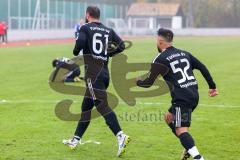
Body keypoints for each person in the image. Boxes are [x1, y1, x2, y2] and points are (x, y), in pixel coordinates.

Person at [136, 28, 218, 160]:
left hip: (181, 98)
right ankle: (187, 147)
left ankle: (197, 157)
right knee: (169, 117)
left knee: (181, 129)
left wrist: (138, 82)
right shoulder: (184, 53)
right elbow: (202, 67)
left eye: (156, 40)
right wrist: (212, 86)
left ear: (160, 41)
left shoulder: (160, 59)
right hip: (193, 95)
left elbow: (148, 83)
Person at [63, 6, 130, 157]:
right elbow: (122, 46)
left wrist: (75, 51)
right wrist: (108, 53)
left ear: (88, 15)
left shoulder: (85, 27)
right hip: (105, 73)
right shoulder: (108, 30)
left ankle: (121, 135)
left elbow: (79, 45)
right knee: (86, 108)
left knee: (101, 106)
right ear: (99, 16)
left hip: (93, 74)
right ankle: (75, 139)